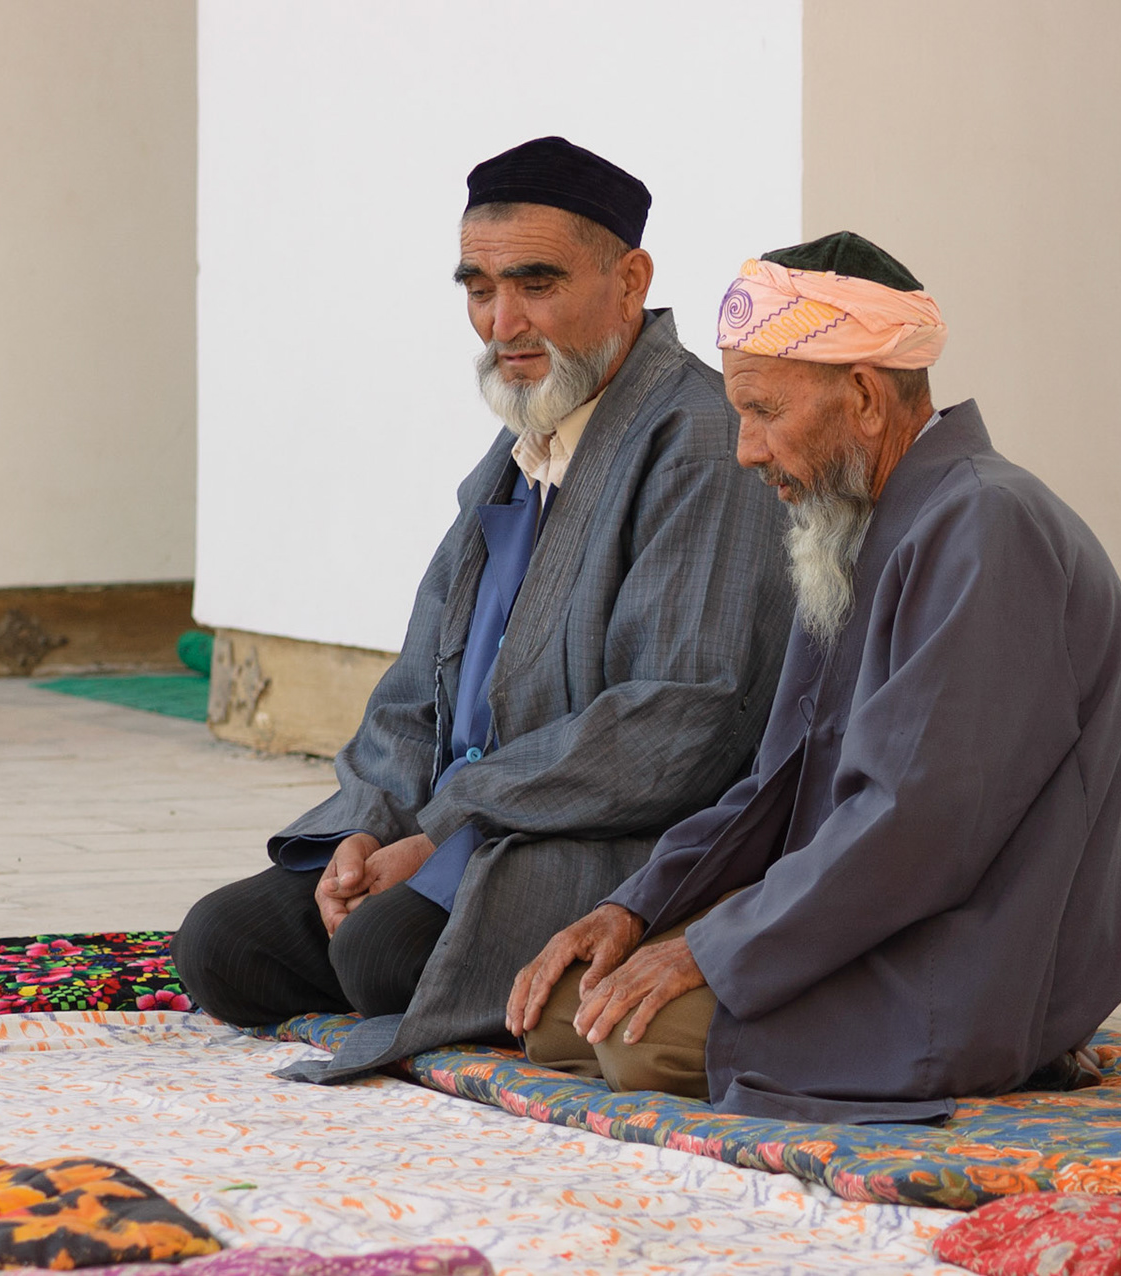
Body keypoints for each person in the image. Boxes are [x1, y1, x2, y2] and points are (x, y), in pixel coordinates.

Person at [173, 137, 793, 1084]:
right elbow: (415, 689)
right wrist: (368, 830)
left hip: (596, 834)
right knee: (221, 947)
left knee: (381, 959)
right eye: (479, 287)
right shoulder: (519, 451)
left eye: (537, 283)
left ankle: (431, 936)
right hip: (453, 826)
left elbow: (682, 716)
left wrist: (452, 822)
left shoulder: (701, 440)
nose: (503, 322)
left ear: (631, 280)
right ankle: (397, 908)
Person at [508, 231, 1121, 1123]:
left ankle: (1003, 1053)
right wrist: (636, 911)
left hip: (961, 957)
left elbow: (915, 825)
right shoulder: (851, 529)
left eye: (764, 411)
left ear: (864, 399)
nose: (746, 451)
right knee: (567, 1011)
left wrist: (712, 950)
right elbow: (780, 786)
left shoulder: (986, 526)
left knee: (632, 1039)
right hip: (864, 915)